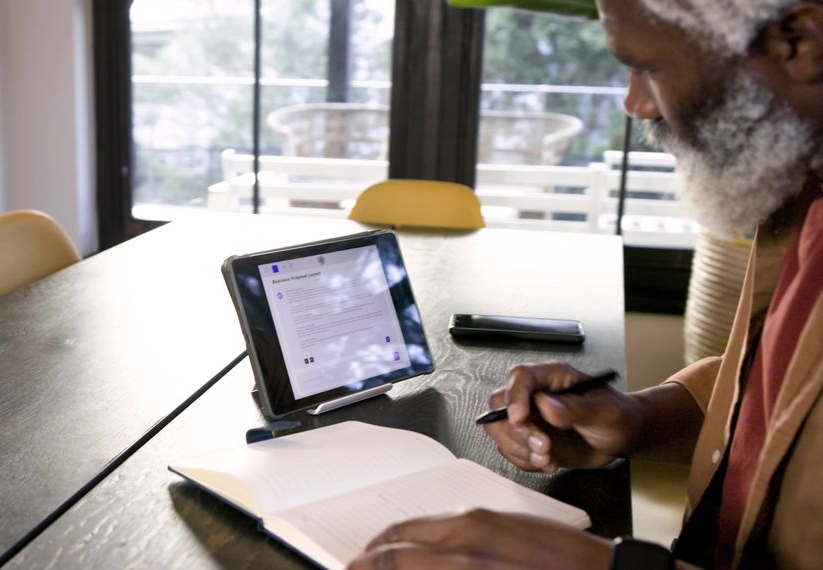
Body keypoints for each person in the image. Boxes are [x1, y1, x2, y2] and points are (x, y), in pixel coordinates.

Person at [349, 0, 823, 568]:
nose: (635, 103)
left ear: (799, 41)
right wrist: (638, 419)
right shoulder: (802, 197)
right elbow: (775, 387)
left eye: (650, 66)